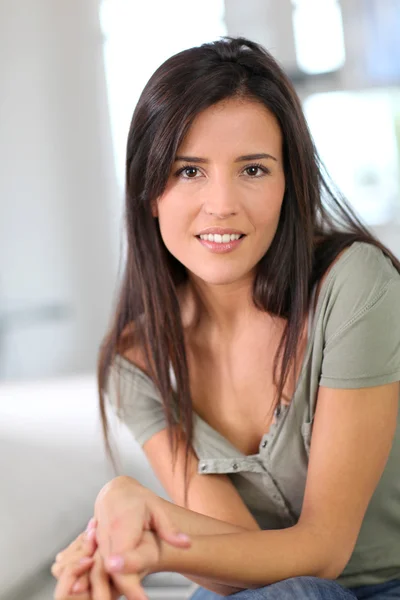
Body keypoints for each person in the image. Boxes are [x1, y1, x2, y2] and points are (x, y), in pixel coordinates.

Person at [51, 36, 400, 600]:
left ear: (289, 184)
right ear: (149, 191)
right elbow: (235, 555)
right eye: (189, 171)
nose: (222, 204)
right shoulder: (139, 361)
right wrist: (117, 541)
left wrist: (157, 540)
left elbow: (323, 551)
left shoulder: (354, 285)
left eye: (253, 170)